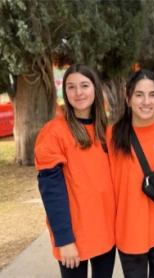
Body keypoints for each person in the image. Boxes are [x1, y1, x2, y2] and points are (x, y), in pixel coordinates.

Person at [34, 64, 116, 278]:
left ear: (95, 89)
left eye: (84, 85)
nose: (78, 92)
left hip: (106, 234)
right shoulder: (54, 133)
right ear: (65, 92)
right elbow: (51, 192)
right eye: (71, 87)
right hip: (74, 238)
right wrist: (64, 239)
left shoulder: (105, 132)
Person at [108, 69, 154, 278]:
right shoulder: (112, 135)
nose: (146, 101)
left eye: (152, 95)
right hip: (129, 230)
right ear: (127, 98)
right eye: (139, 94)